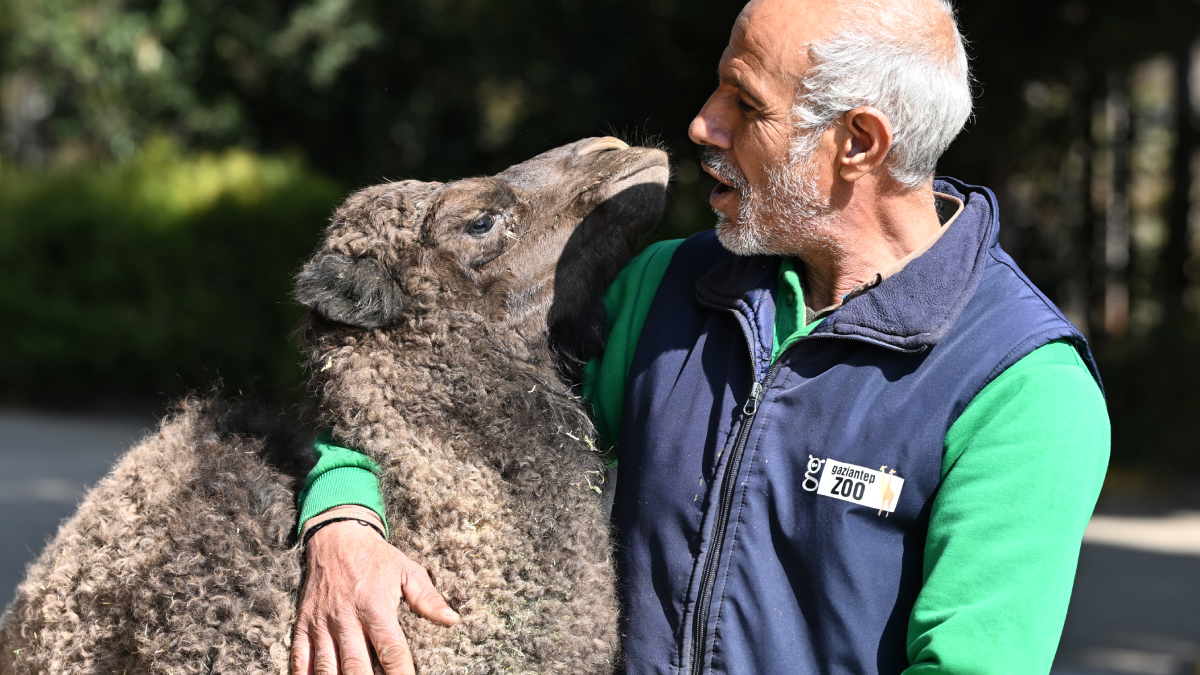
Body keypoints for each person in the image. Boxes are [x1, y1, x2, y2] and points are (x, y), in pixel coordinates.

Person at [289, 0, 1111, 673]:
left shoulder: (1025, 390)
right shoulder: (668, 286)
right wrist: (344, 519)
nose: (701, 124)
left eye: (745, 104)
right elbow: (421, 404)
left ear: (858, 143)